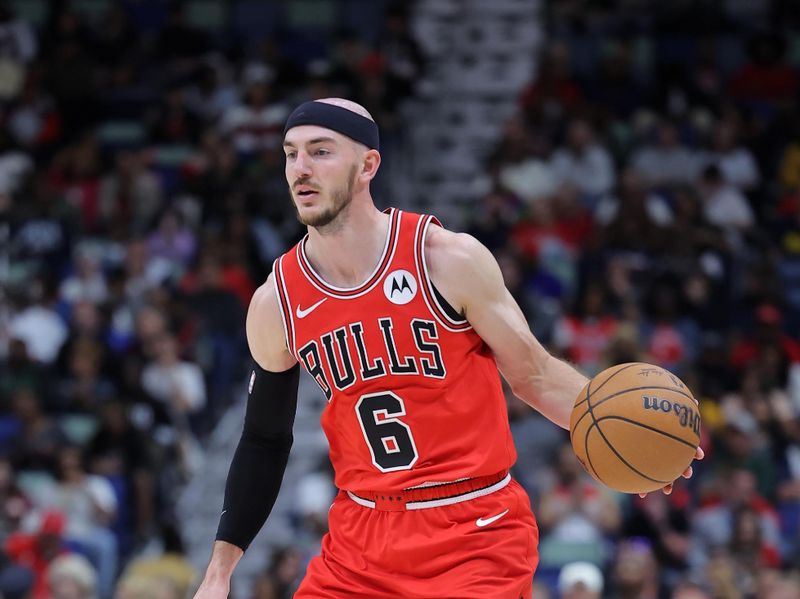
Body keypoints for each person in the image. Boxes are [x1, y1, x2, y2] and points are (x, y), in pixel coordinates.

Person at [193, 98, 702, 598]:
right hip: (360, 539)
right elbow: (263, 438)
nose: (300, 168)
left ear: (368, 164)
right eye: (290, 153)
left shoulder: (444, 258)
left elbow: (536, 375)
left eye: (320, 151)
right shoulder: (276, 302)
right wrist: (220, 570)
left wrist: (637, 437)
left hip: (474, 528)